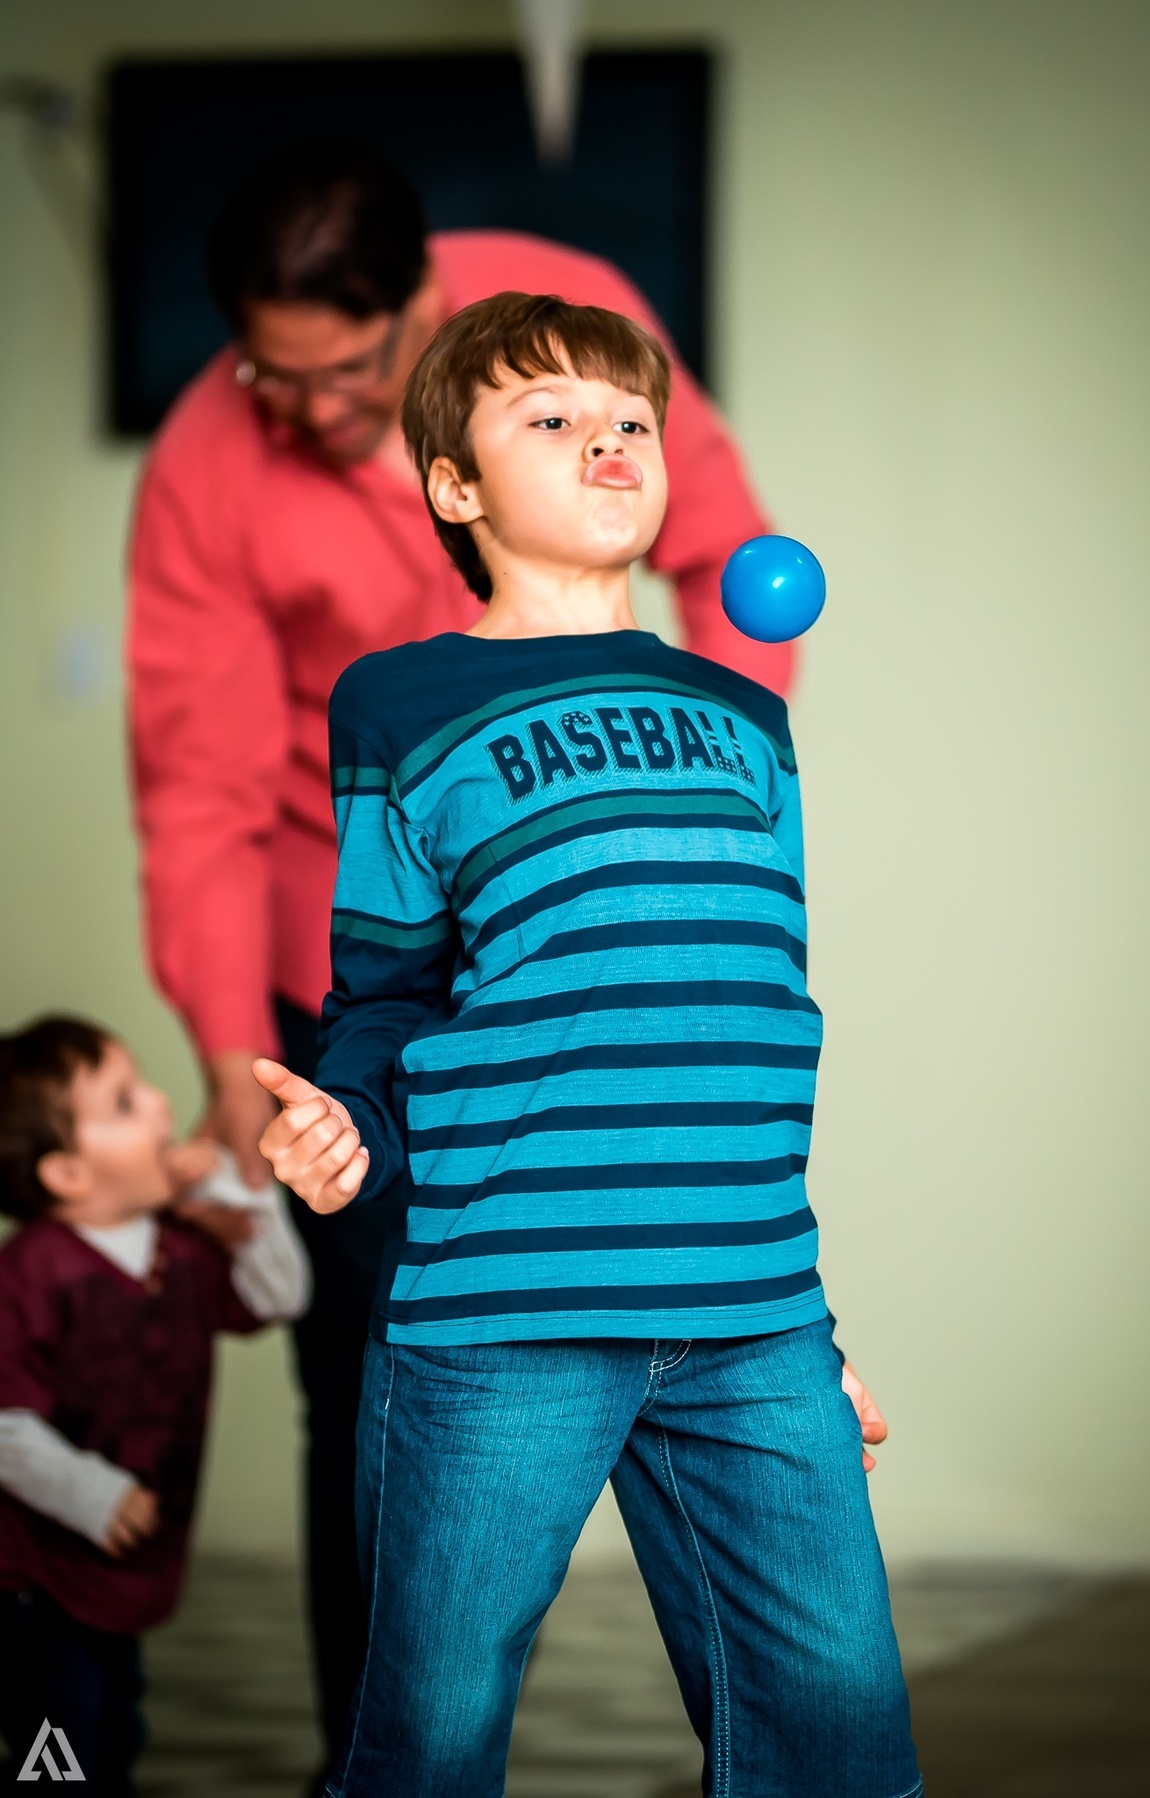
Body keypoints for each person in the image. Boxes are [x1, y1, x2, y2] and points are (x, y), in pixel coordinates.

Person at [126, 136, 792, 1764]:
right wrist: (229, 1055)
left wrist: (709, 800)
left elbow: (724, 551)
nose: (306, 411)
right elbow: (200, 783)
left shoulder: (567, 327)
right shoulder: (210, 460)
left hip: (572, 932)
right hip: (353, 947)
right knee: (365, 1351)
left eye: (346, 371)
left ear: (420, 305)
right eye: (270, 376)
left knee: (675, 1298)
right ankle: (382, 1756)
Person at [254, 292, 922, 1798]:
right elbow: (386, 992)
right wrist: (351, 1118)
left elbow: (743, 1018)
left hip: (751, 1314)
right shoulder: (399, 703)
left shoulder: (746, 716)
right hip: (501, 1308)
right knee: (427, 1749)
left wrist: (814, 1336)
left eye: (632, 420)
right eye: (550, 419)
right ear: (456, 487)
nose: (608, 441)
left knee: (842, 1746)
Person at [0, 1016, 309, 1794]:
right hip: (36, 1579)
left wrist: (244, 1196)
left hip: (125, 1573)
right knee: (57, 1752)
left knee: (113, 1733)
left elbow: (281, 1295)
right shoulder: (30, 1272)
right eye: (125, 1102)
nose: (163, 1104)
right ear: (68, 1173)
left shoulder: (181, 1246)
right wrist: (93, 1496)